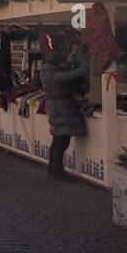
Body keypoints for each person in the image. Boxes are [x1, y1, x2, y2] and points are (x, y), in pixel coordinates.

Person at [41, 49, 90, 182]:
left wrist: (70, 58)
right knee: (62, 142)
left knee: (57, 141)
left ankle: (53, 170)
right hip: (62, 108)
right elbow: (73, 75)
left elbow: (66, 72)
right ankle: (57, 171)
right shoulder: (54, 74)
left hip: (56, 108)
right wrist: (90, 64)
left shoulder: (47, 71)